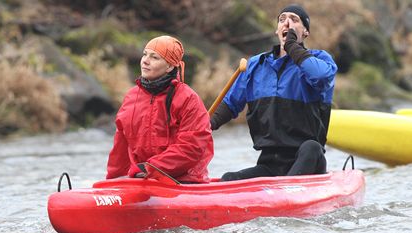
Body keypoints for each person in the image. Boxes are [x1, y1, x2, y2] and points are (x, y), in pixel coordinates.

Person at [211, 4, 338, 181]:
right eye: (282, 19)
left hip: (308, 159)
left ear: (306, 32)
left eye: (294, 20)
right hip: (270, 163)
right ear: (277, 30)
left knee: (311, 147)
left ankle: (288, 193)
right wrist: (206, 125)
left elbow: (321, 76)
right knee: (228, 178)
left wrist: (292, 45)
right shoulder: (256, 64)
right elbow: (230, 104)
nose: (286, 23)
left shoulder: (319, 59)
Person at [106, 35, 213, 183]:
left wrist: (149, 168)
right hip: (143, 178)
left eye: (154, 57)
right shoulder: (131, 97)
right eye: (144, 54)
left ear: (169, 66)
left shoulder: (188, 99)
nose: (145, 61)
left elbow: (192, 147)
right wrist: (112, 182)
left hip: (182, 180)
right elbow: (121, 148)